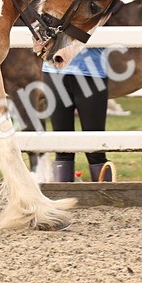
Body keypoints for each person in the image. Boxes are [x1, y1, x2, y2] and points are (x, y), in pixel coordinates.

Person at [41, 47, 115, 182]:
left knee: (95, 149)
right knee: (62, 149)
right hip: (54, 73)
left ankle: (106, 197)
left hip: (92, 73)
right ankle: (64, 195)